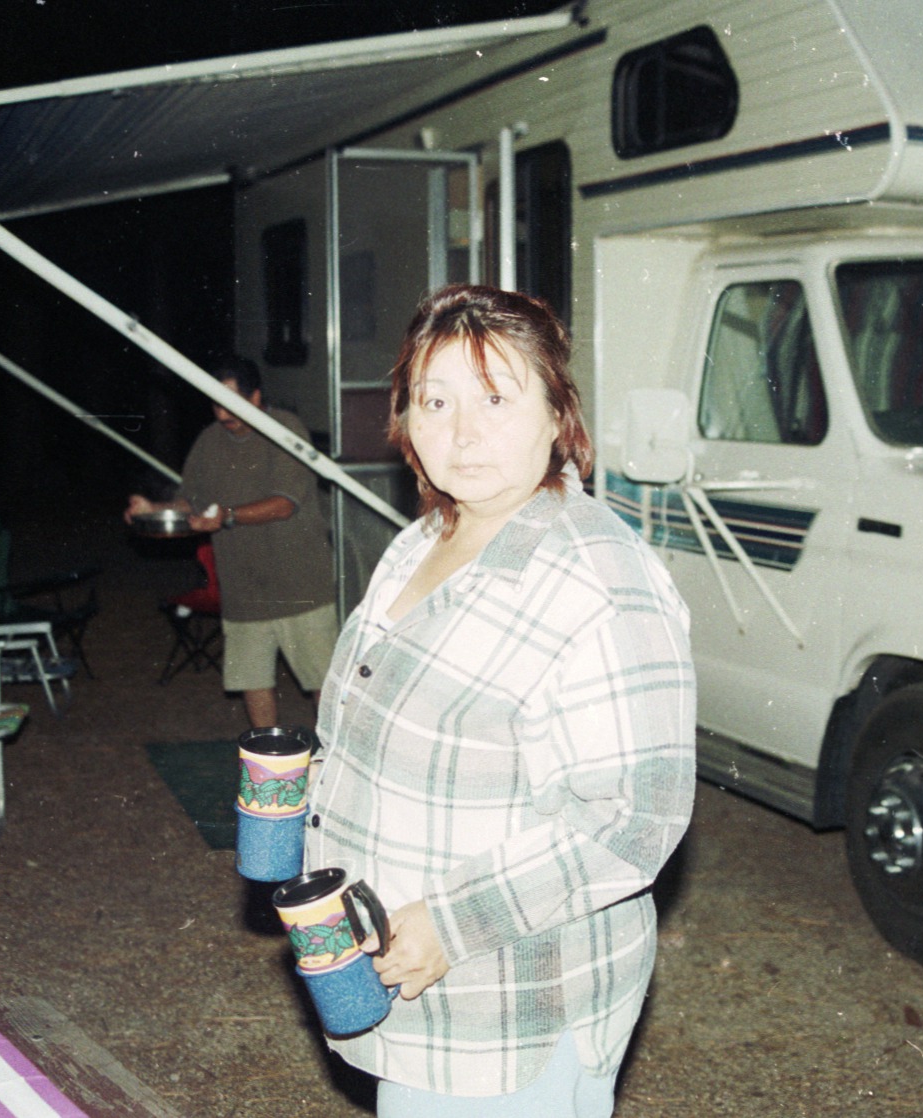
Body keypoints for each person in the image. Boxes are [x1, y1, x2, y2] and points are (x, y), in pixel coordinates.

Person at [304, 286, 696, 1116]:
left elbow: (636, 815)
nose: (462, 431)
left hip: (512, 1009)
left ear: (559, 415)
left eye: (495, 398)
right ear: (404, 417)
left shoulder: (597, 577)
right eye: (435, 400)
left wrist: (452, 921)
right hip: (413, 997)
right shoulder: (422, 543)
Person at [125, 358, 337, 728]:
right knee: (252, 683)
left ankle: (335, 765)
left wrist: (227, 515)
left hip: (300, 587)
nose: (223, 414)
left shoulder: (286, 429)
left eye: (231, 402)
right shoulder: (209, 441)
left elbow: (285, 503)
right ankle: (268, 767)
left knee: (322, 685)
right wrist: (152, 507)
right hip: (242, 590)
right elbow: (190, 502)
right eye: (215, 403)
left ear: (255, 397)